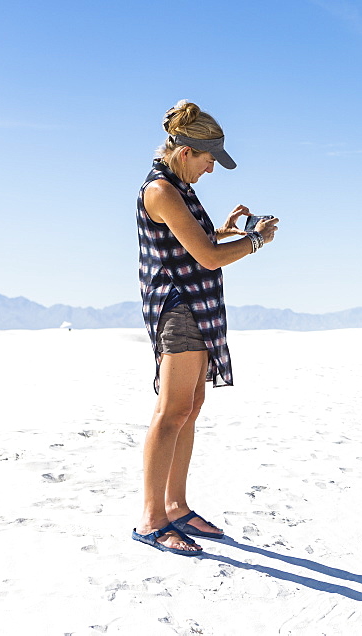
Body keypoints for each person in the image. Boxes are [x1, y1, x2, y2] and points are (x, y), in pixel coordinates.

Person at [132, 100, 279, 555]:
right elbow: (208, 259)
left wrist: (227, 229)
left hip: (198, 306)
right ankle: (152, 518)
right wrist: (253, 241)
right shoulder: (161, 190)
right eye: (210, 159)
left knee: (190, 407)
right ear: (185, 151)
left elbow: (198, 242)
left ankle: (176, 505)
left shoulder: (179, 187)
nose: (212, 169)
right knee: (171, 412)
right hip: (179, 307)